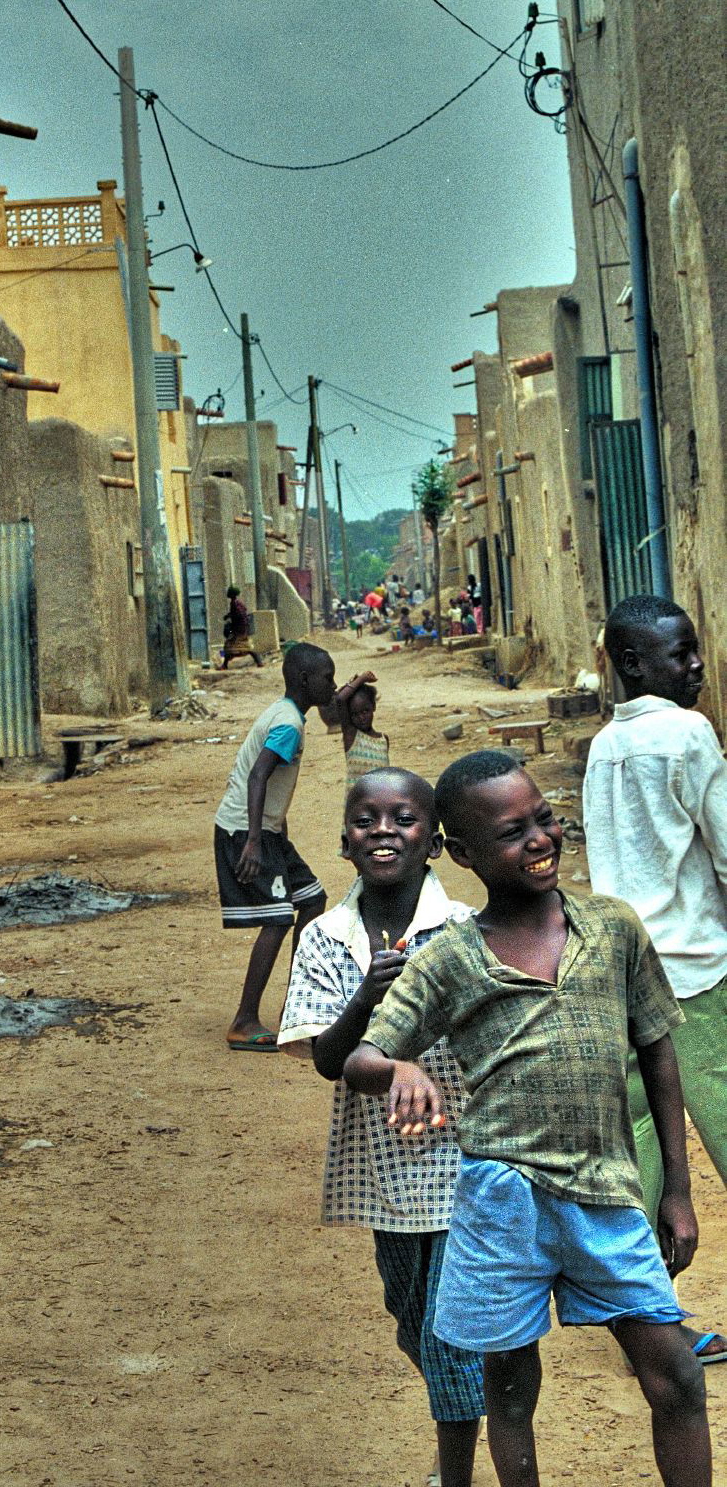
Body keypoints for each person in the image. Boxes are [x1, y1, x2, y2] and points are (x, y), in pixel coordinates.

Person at [342, 750, 709, 1486]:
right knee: (508, 1388)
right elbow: (361, 1060)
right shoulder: (449, 959)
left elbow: (658, 1054)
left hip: (603, 1195)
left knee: (676, 1376)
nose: (539, 840)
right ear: (463, 854)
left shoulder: (612, 929)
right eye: (514, 833)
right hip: (498, 1204)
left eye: (544, 820)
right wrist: (402, 1068)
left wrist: (676, 1188)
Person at [278, 770, 483, 1487]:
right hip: (385, 1171)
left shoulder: (462, 932)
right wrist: (369, 996)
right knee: (408, 1314)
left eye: (404, 818)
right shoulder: (327, 940)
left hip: (463, 1158)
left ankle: (451, 1469)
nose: (385, 830)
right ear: (344, 843)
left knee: (447, 1331)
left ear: (433, 843)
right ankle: (460, 1395)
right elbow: (329, 1061)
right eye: (367, 820)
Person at [584, 593, 727, 1364]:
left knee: (639, 1150)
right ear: (634, 664)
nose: (698, 664)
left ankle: (657, 1320)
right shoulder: (690, 731)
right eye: (682, 654)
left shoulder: (605, 745)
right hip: (698, 978)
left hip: (624, 976)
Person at [214, 643, 336, 1051]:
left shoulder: (288, 713)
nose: (331, 685)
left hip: (268, 832)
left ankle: (294, 1008)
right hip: (247, 831)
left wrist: (276, 835)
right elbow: (257, 777)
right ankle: (245, 1020)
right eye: (327, 678)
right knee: (279, 918)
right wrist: (253, 841)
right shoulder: (289, 725)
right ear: (305, 680)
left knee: (313, 900)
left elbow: (336, 705)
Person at [336, 670, 389, 794]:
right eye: (355, 714)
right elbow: (340, 699)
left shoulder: (383, 740)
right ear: (349, 715)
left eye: (365, 711)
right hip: (358, 806)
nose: (361, 717)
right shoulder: (352, 736)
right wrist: (362, 678)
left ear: (373, 707)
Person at [220, 585, 263, 669]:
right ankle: (259, 662)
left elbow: (238, 614)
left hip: (239, 629)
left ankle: (224, 665)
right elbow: (242, 611)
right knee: (245, 646)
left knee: (229, 646)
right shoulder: (237, 602)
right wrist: (229, 615)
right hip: (243, 627)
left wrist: (232, 619)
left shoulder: (234, 603)